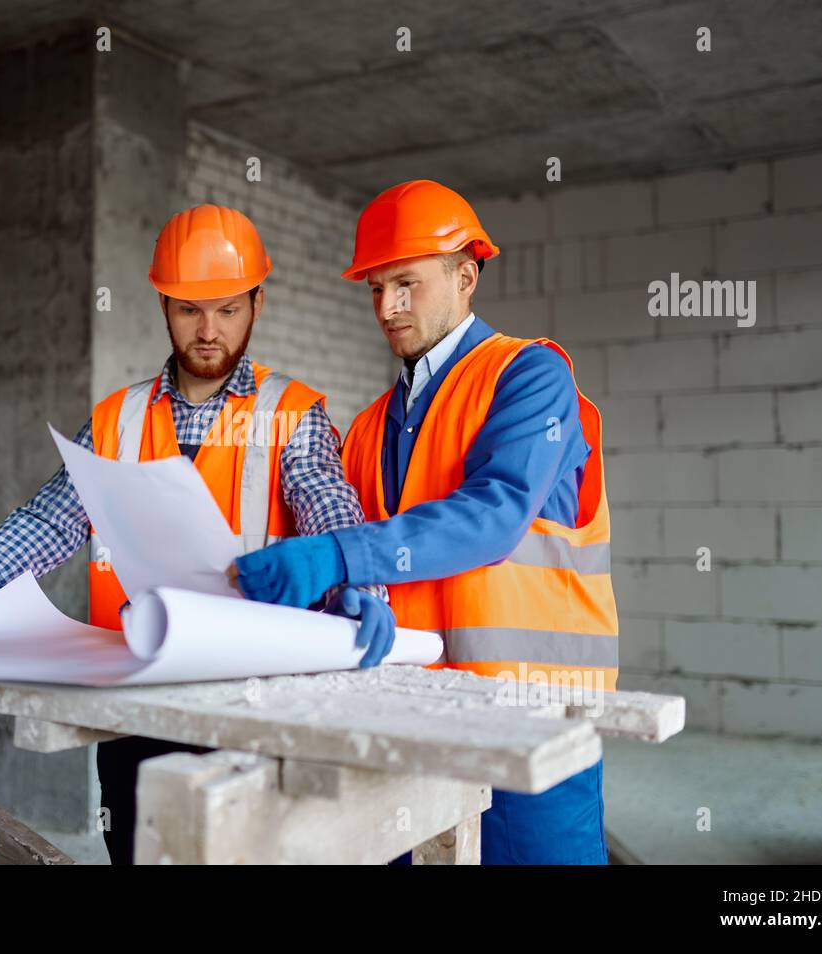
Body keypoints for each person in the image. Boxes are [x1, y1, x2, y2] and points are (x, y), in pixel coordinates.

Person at [0, 203, 396, 864]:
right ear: (162, 305)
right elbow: (47, 523)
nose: (208, 330)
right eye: (188, 309)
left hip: (255, 701)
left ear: (258, 304)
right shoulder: (118, 418)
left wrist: (362, 580)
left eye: (228, 309)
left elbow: (328, 504)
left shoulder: (291, 412)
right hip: (135, 692)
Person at [232, 180, 618, 865]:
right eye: (375, 288)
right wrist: (346, 595)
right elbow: (379, 556)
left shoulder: (529, 375)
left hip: (529, 716)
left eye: (405, 283)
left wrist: (338, 557)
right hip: (408, 718)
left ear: (466, 276)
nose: (388, 307)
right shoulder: (369, 426)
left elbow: (494, 514)